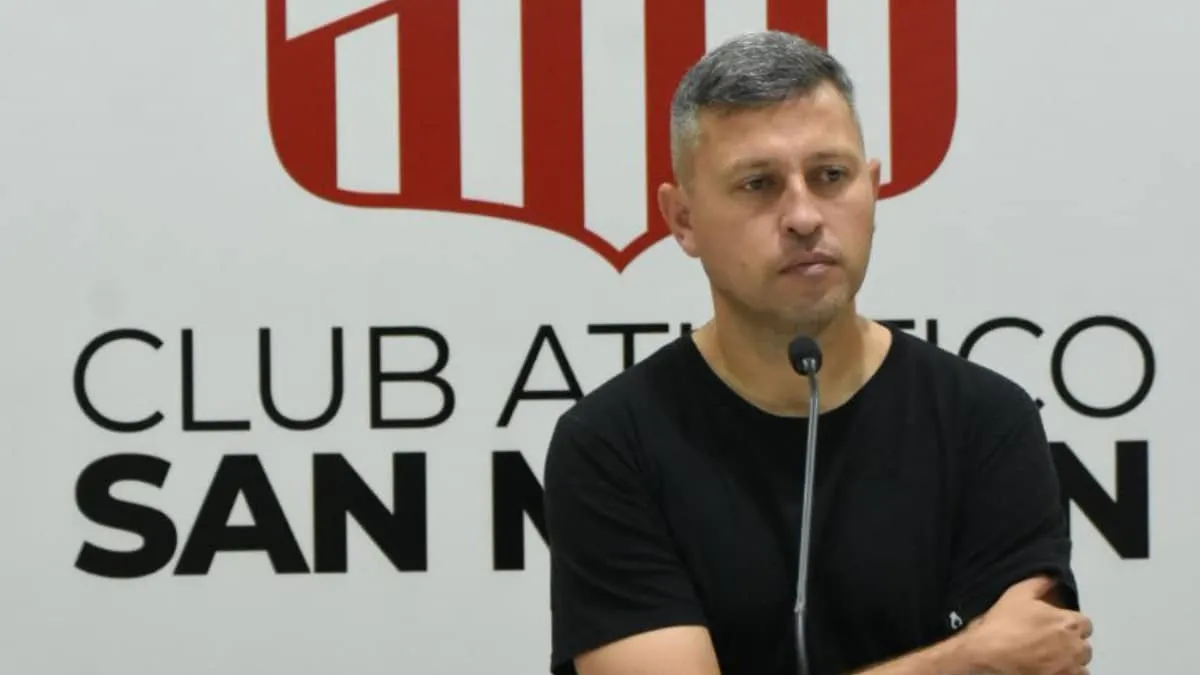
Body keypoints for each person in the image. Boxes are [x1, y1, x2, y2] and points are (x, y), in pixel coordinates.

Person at [541, 30, 1092, 675]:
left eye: (831, 176)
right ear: (683, 219)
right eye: (758, 184)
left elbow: (1029, 658)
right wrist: (959, 661)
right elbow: (990, 660)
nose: (804, 216)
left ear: (872, 189)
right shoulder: (613, 444)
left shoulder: (985, 419)